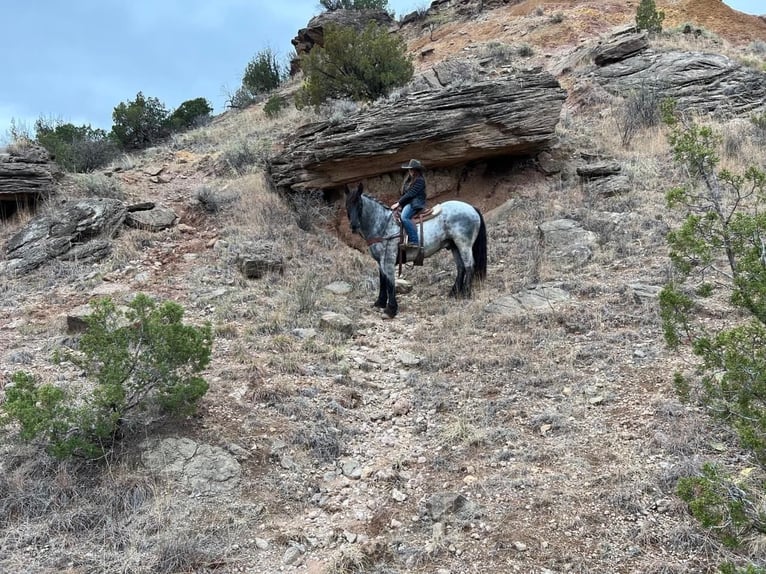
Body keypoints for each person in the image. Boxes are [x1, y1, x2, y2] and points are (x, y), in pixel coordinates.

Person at [391, 159, 427, 246]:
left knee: (404, 217)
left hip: (415, 203)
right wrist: (400, 203)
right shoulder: (410, 180)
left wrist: (398, 203)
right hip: (408, 203)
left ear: (416, 170)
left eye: (411, 169)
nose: (409, 171)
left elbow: (411, 194)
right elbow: (406, 194)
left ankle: (414, 241)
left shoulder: (420, 181)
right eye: (409, 169)